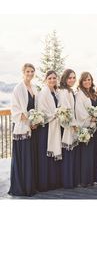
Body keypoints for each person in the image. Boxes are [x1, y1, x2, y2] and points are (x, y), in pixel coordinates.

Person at [9, 63, 38, 196]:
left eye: (32, 71)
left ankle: (30, 185)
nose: (30, 73)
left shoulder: (33, 88)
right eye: (28, 71)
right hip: (22, 128)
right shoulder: (18, 88)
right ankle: (22, 187)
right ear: (23, 72)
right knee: (23, 158)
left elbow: (35, 108)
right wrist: (28, 121)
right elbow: (15, 110)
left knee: (30, 158)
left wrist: (35, 121)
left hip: (32, 127)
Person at [37, 70, 62, 191]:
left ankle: (54, 182)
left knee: (53, 155)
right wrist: (54, 115)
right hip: (46, 127)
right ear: (46, 79)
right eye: (50, 78)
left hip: (55, 125)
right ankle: (44, 184)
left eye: (54, 78)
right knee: (46, 155)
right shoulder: (43, 93)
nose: (52, 80)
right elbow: (42, 111)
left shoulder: (56, 92)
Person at [75, 72, 97, 186]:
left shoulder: (93, 93)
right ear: (81, 81)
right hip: (86, 128)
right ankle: (85, 179)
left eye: (89, 79)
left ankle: (94, 178)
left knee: (93, 153)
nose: (87, 82)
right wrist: (91, 119)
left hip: (96, 128)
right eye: (85, 80)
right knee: (86, 154)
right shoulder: (80, 94)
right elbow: (79, 112)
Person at [58, 69, 78, 188]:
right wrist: (74, 124)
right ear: (65, 79)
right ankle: (67, 182)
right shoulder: (64, 91)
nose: (72, 80)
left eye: (73, 77)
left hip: (71, 125)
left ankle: (70, 180)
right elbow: (66, 110)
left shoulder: (70, 91)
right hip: (68, 126)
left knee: (71, 152)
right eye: (69, 78)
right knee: (68, 153)